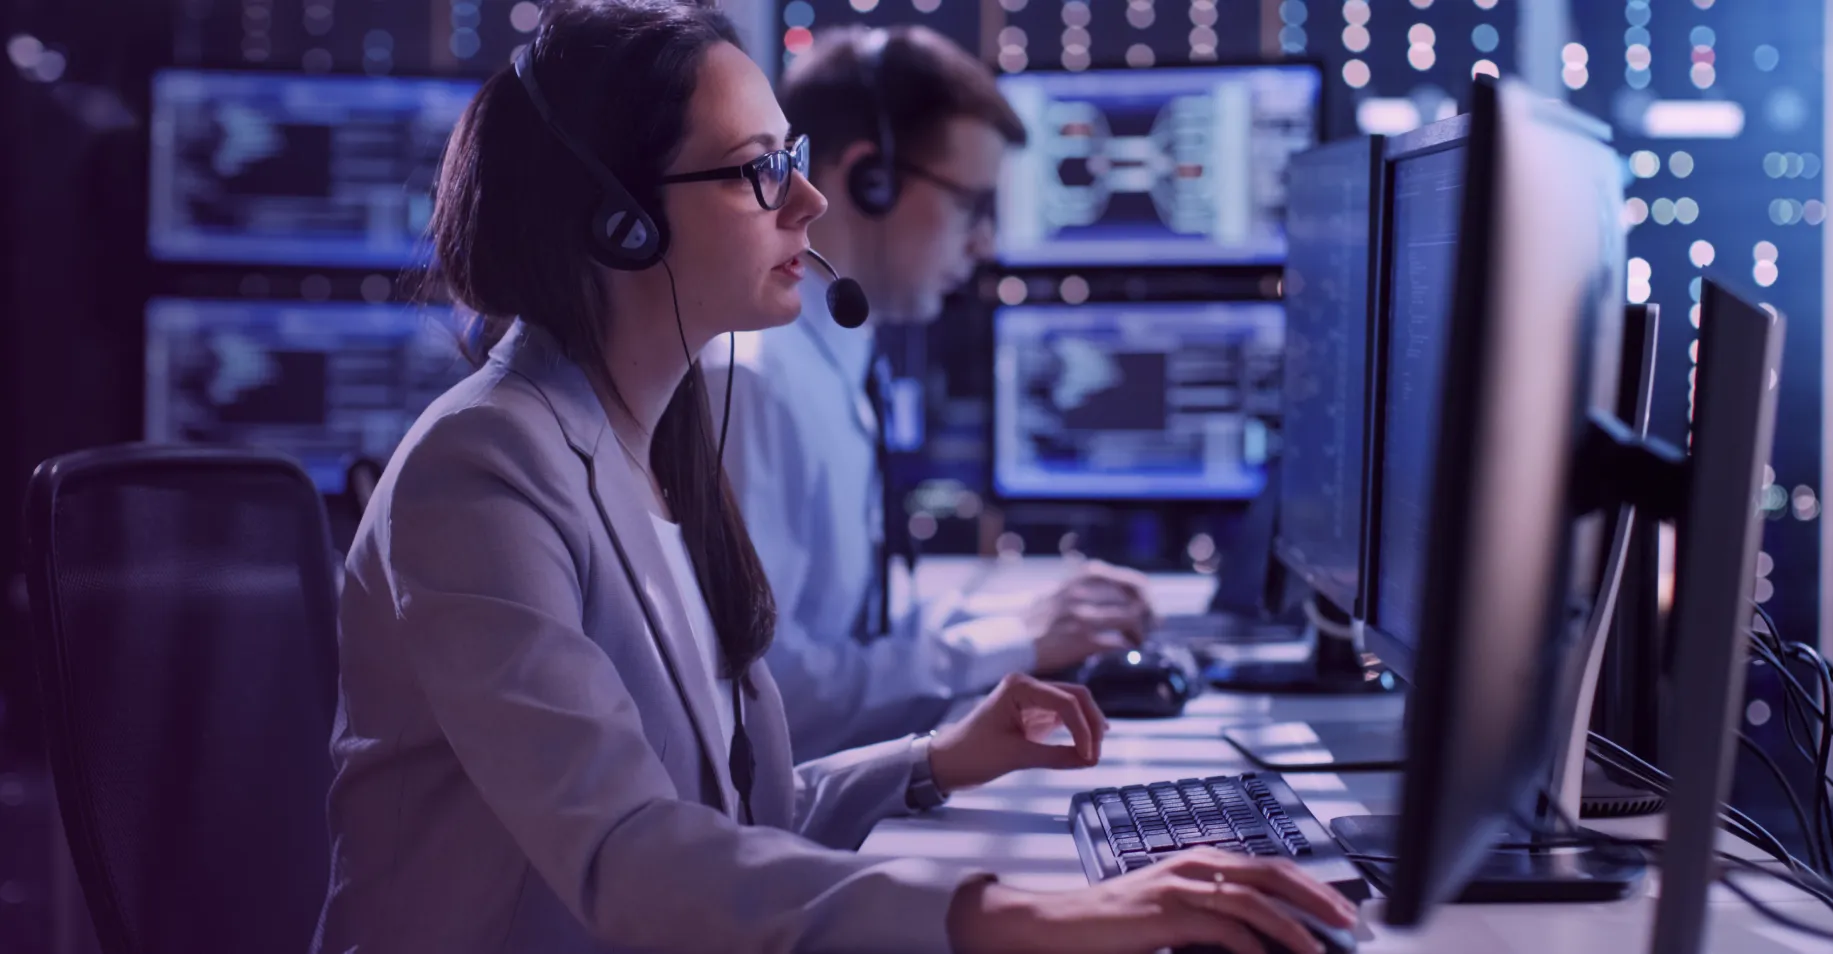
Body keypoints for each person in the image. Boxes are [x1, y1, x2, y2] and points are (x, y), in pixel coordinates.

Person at [311, 2, 1356, 951]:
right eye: (758, 167)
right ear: (619, 221)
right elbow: (630, 855)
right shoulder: (481, 470)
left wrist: (934, 760)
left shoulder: (659, 440)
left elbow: (727, 812)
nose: (807, 200)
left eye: (795, 157)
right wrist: (1035, 914)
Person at [707, 24, 1156, 762]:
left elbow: (855, 629)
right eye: (972, 205)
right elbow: (769, 698)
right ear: (869, 180)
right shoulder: (751, 383)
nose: (984, 245)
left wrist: (1028, 619)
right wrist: (1017, 639)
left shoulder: (839, 361)